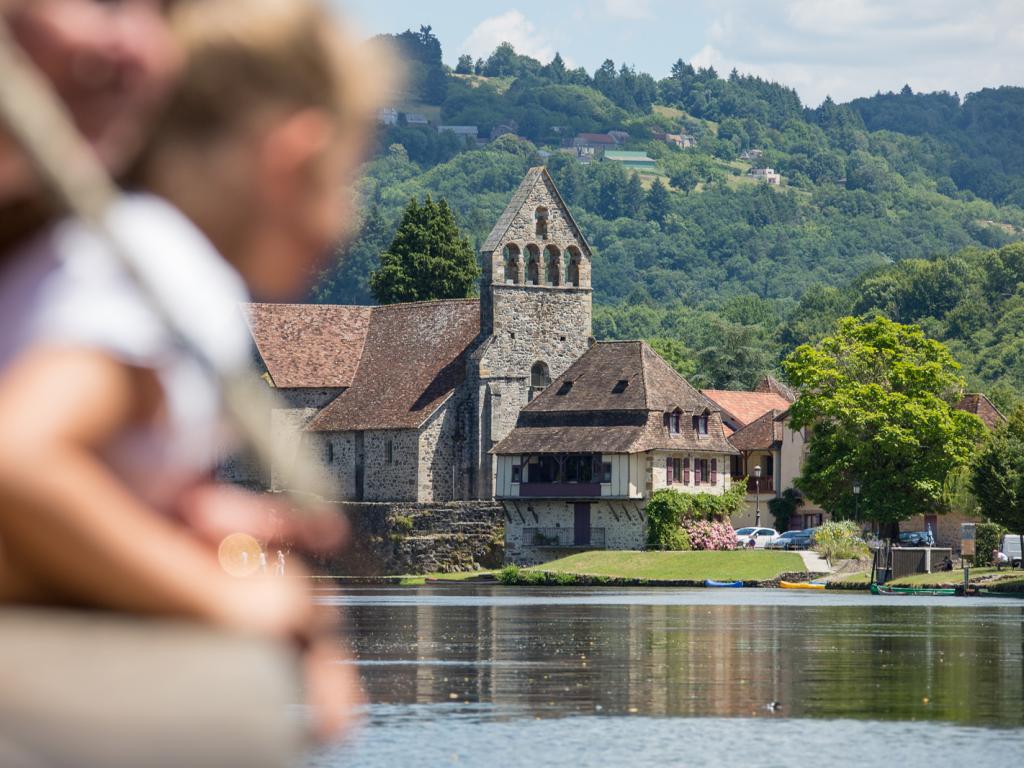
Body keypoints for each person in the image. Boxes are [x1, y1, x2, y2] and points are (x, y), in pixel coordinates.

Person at [0, 0, 387, 742]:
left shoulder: (101, 248)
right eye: (348, 181)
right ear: (295, 158)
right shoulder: (173, 271)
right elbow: (18, 459)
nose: (344, 224)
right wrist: (230, 601)